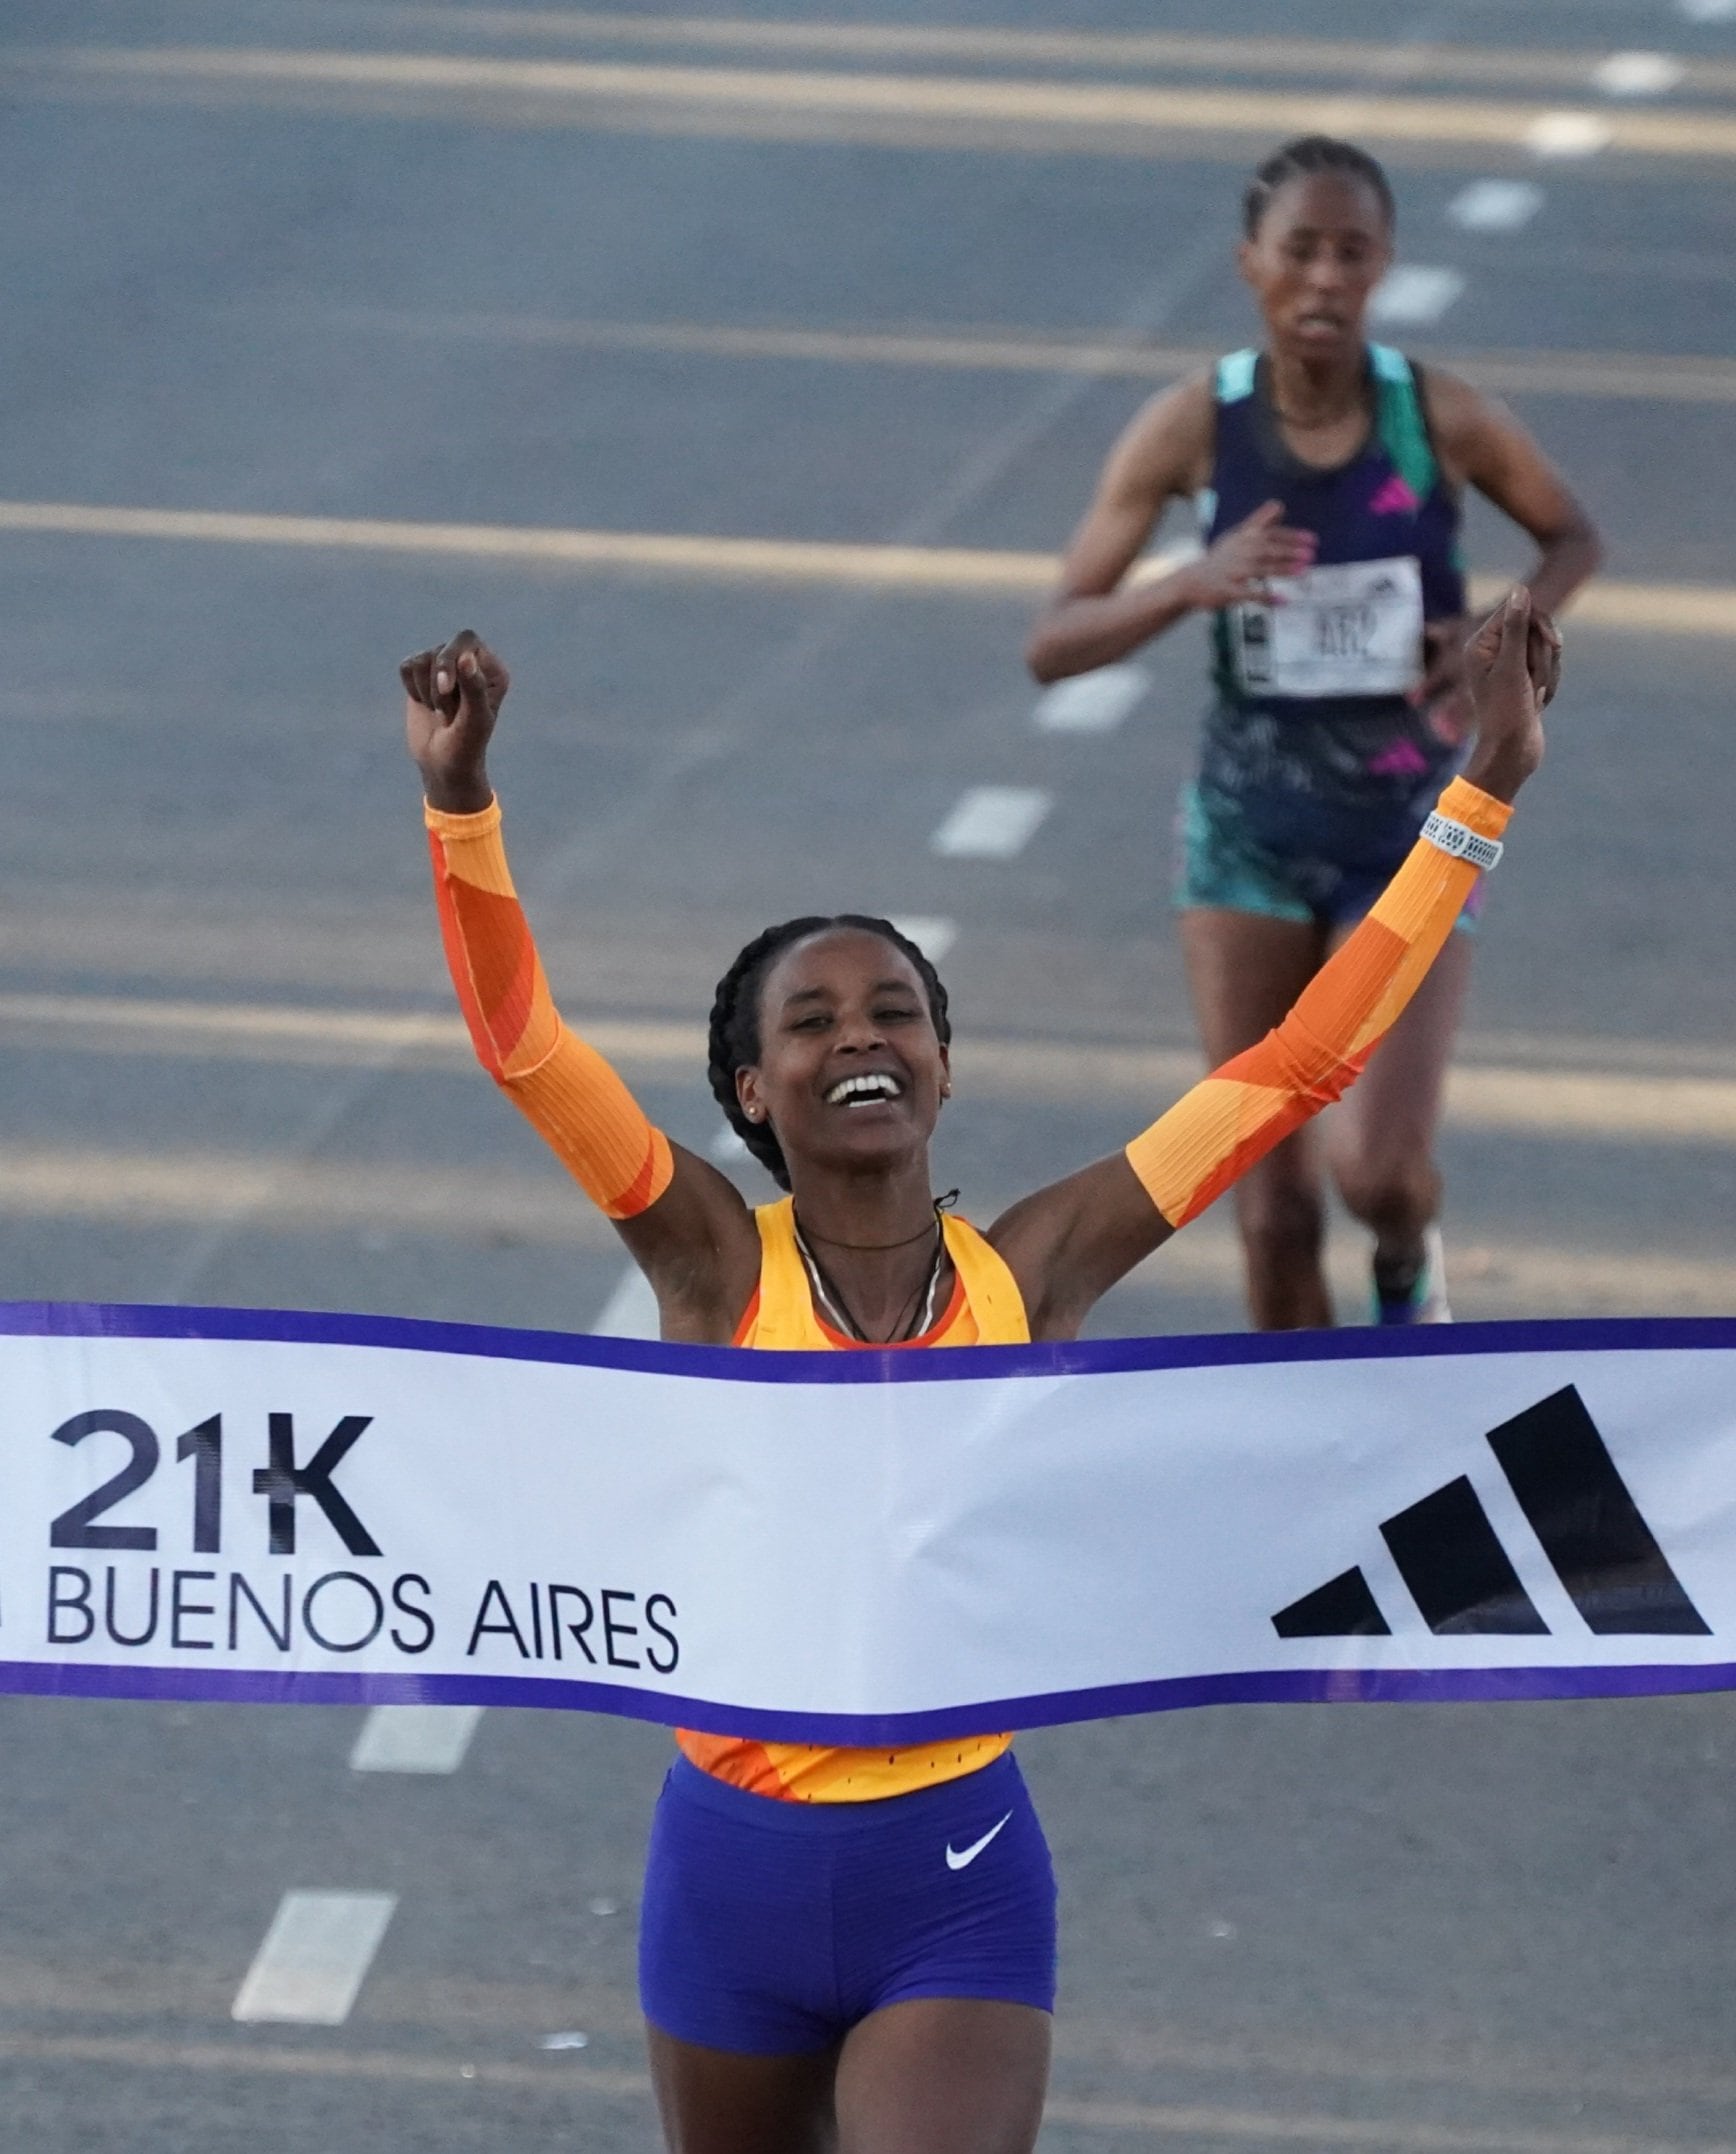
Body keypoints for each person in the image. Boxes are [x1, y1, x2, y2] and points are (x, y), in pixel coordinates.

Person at [401, 589, 1556, 2154]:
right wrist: (459, 803)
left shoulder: (1042, 1262)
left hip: (954, 1875)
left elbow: (1297, 1065)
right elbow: (527, 1045)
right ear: (754, 1086)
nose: (857, 1034)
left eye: (895, 1007)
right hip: (726, 1874)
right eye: (809, 1021)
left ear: (942, 1060)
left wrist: (1479, 788)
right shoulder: (712, 1257)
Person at [1026, 134, 1600, 1332]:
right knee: (1266, 1203)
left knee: (1375, 1175)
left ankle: (1405, 1268)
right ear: (1251, 266)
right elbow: (1054, 640)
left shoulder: (1435, 417)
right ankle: (1316, 1465)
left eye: (1350, 253)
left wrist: (1493, 631)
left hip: (1410, 836)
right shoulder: (1194, 427)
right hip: (1243, 840)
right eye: (1301, 251)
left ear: (1382, 264)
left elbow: (1570, 537)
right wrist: (1188, 581)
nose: (1325, 279)